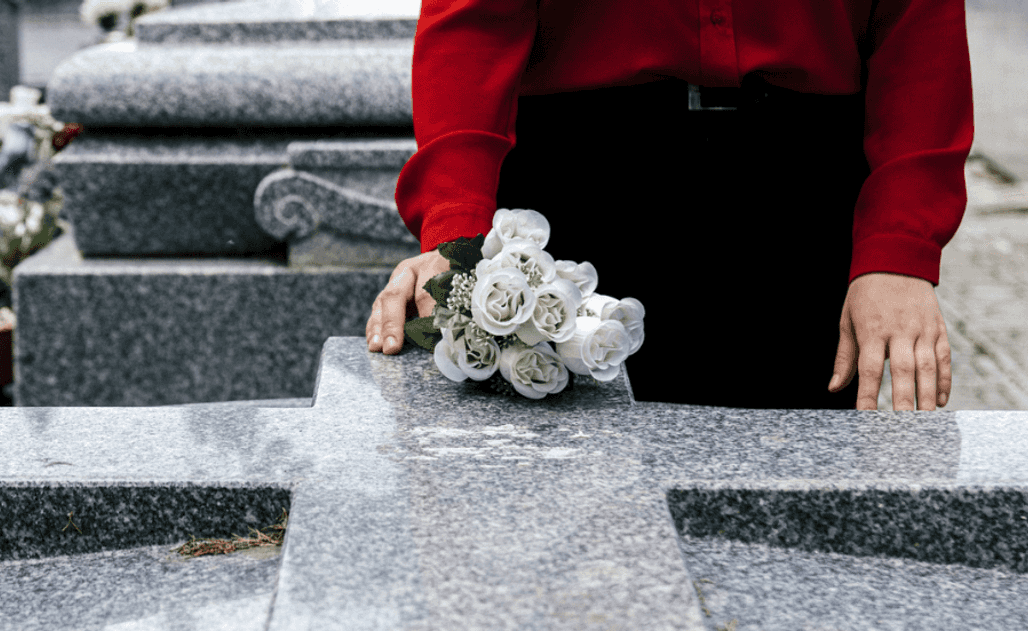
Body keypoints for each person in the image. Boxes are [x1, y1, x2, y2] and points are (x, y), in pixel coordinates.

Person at [366, 0, 973, 411]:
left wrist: (898, 249)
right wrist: (456, 233)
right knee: (574, 517)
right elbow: (474, 23)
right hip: (584, 189)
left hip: (804, 201)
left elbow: (918, 29)